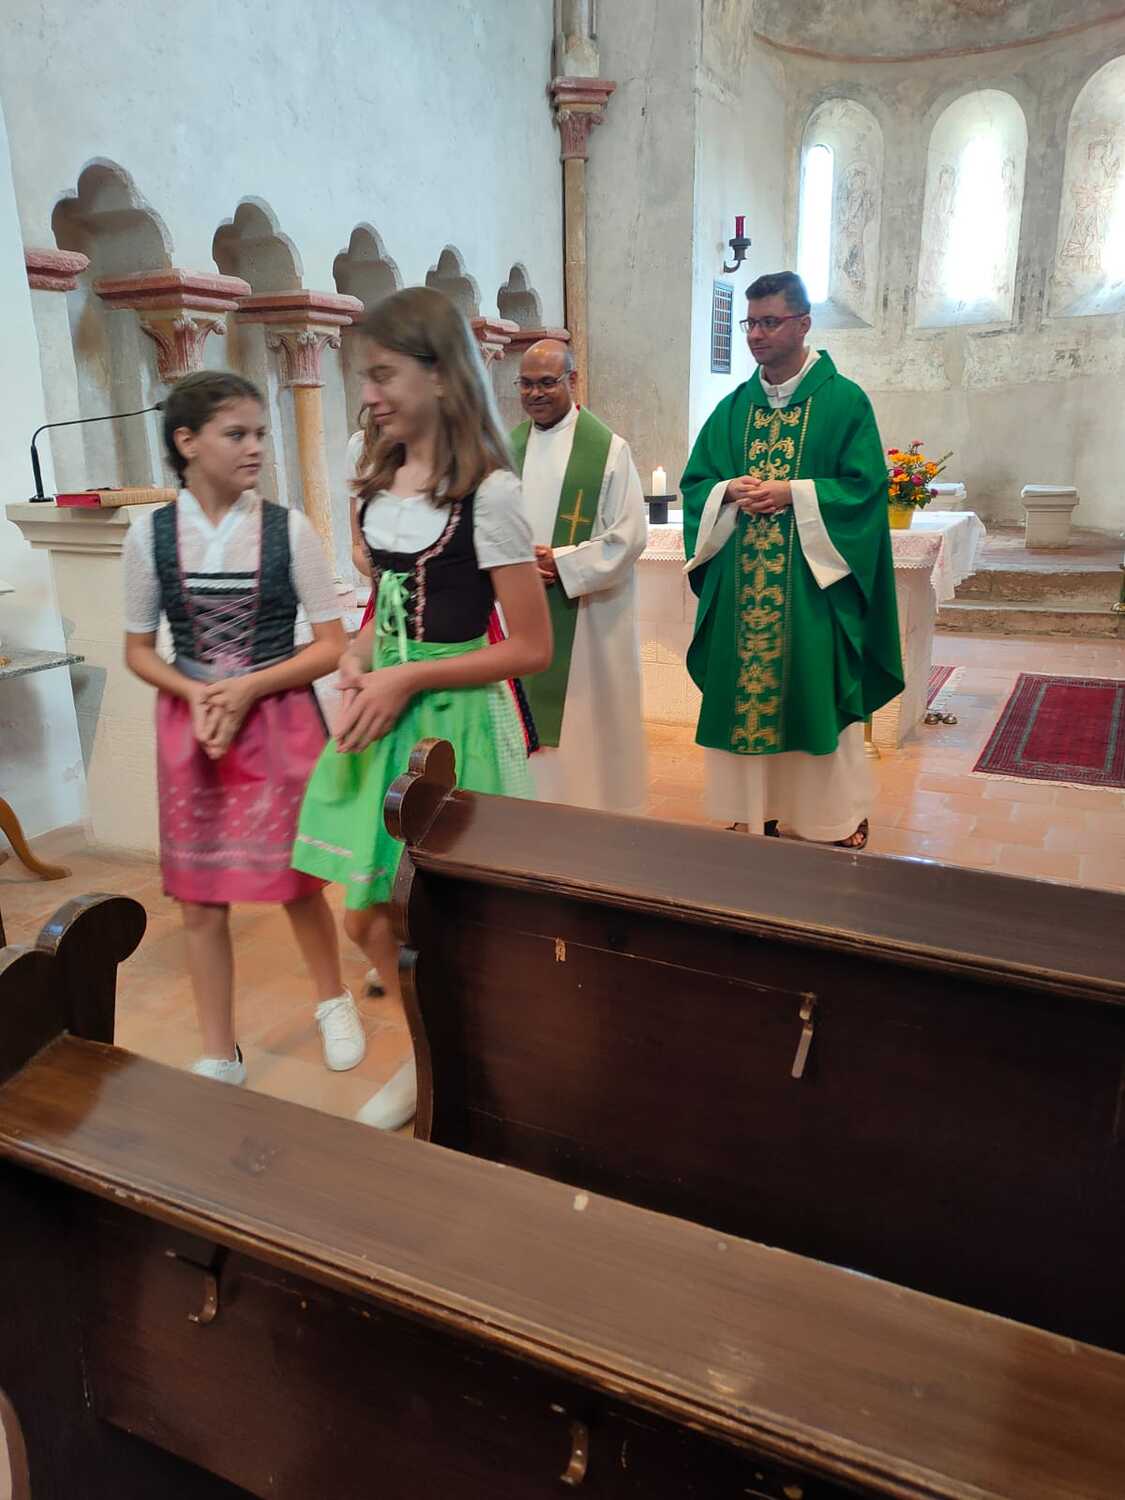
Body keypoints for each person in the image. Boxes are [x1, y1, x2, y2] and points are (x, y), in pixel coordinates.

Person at [293, 287, 552, 1131]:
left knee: (447, 917)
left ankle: (472, 1063)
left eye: (381, 375)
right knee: (365, 914)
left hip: (457, 724)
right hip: (389, 721)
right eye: (363, 377)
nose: (367, 395)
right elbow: (382, 621)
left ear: (439, 375)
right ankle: (432, 1050)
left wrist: (408, 680)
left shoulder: (489, 494)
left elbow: (529, 648)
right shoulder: (378, 486)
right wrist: (360, 663)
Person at [122, 371, 366, 1086]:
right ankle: (218, 1048)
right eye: (237, 434)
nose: (256, 446)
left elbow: (331, 645)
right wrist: (196, 693)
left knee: (296, 882)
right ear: (187, 442)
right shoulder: (150, 536)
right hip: (193, 727)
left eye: (259, 433)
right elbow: (139, 650)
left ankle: (333, 1001)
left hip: (277, 721)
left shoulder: (288, 530)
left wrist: (248, 686)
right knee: (199, 895)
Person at [681, 272, 902, 848]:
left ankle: (834, 818)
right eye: (750, 323)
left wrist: (794, 493)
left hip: (813, 593)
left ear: (803, 324)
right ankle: (757, 811)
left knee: (816, 698)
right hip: (742, 595)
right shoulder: (733, 409)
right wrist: (726, 491)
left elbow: (865, 490)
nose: (756, 334)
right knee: (747, 699)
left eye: (770, 322)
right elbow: (696, 483)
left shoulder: (844, 402)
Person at [509, 339, 647, 813]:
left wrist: (561, 562)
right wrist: (514, 563)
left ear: (572, 380)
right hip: (521, 608)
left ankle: (596, 814)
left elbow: (629, 536)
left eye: (547, 382)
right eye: (526, 384)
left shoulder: (608, 450)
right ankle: (531, 813)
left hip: (589, 618)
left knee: (587, 727)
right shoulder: (506, 449)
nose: (535, 394)